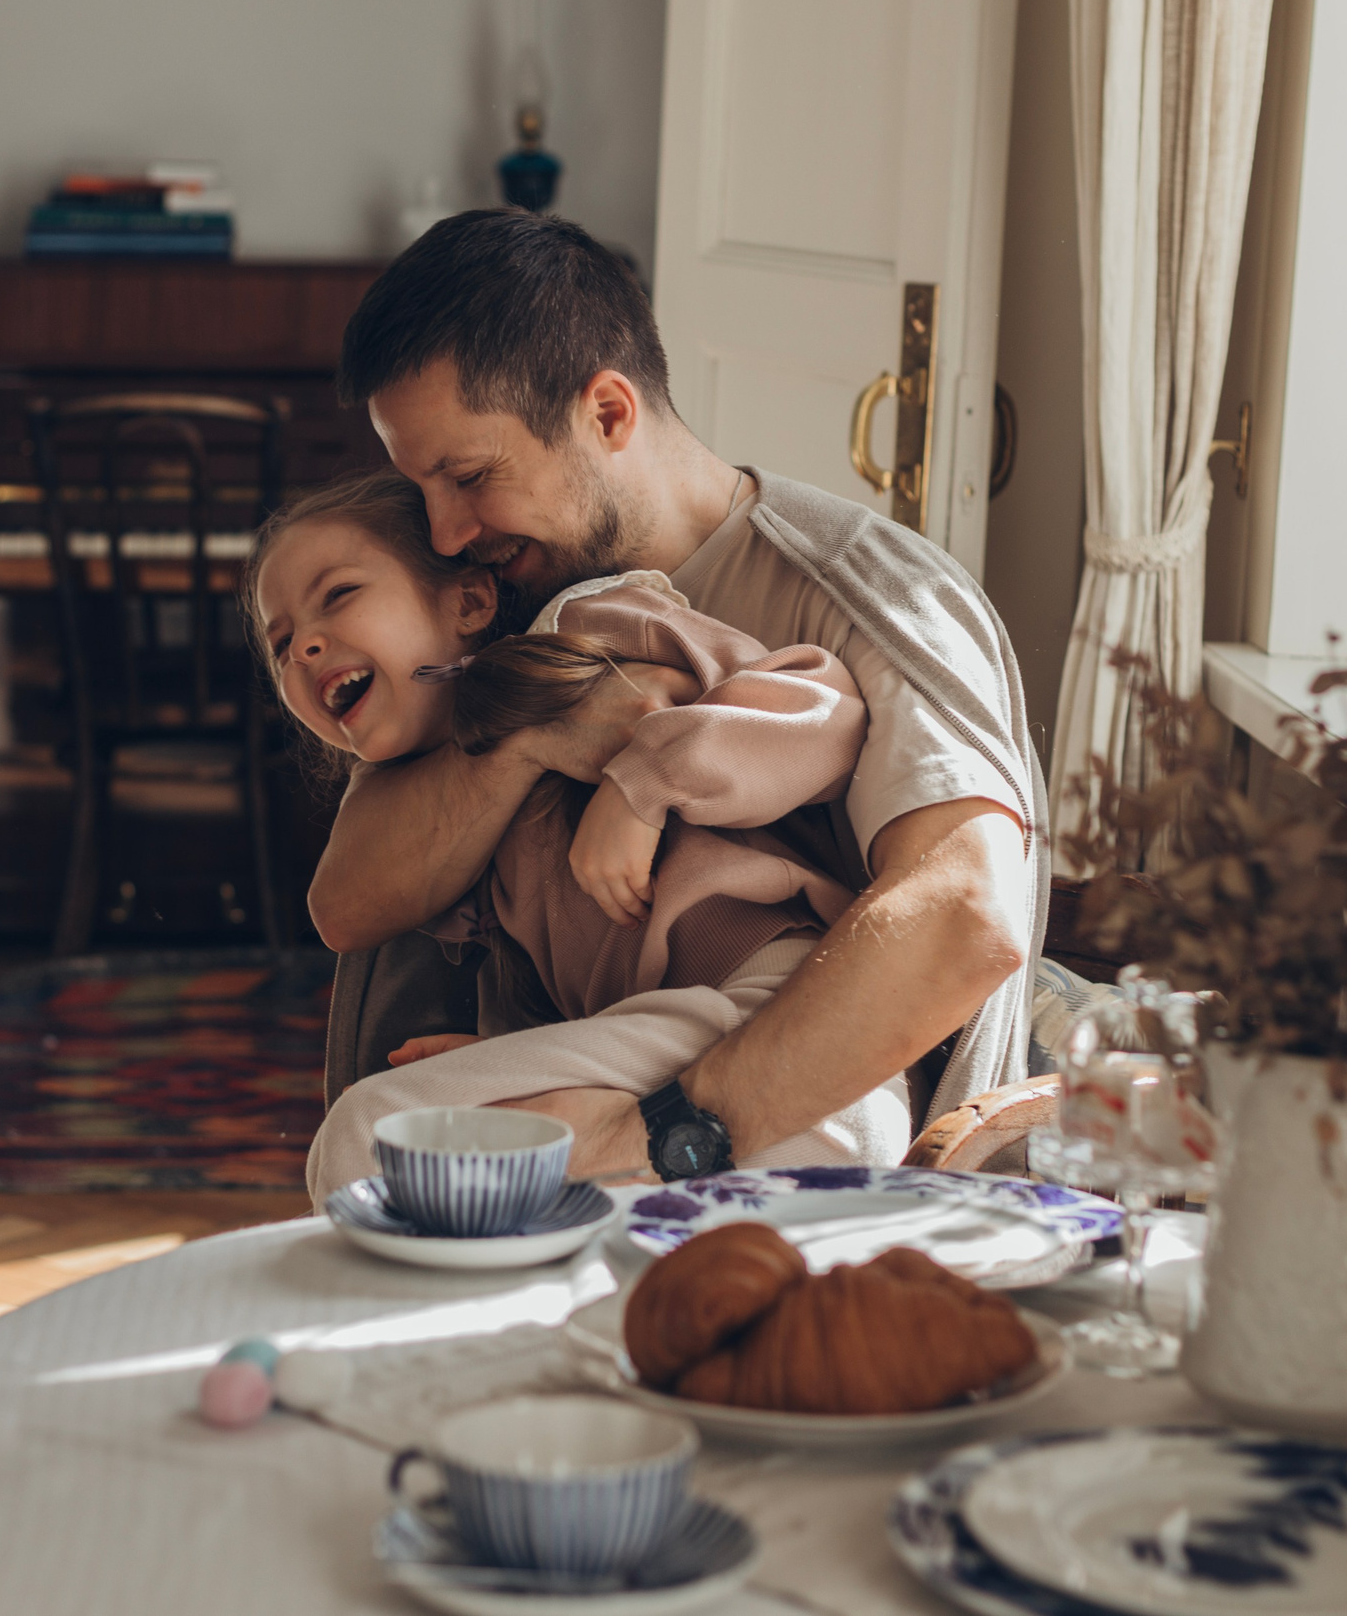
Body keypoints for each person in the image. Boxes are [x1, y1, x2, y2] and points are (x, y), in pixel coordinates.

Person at [312, 208, 1049, 1183]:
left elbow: (963, 919)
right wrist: (537, 740)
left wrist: (646, 1128)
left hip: (806, 1147)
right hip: (605, 1087)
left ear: (607, 412)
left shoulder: (872, 596)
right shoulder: (502, 593)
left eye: (469, 476)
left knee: (375, 1157)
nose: (444, 533)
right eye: (420, 487)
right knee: (373, 1155)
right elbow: (354, 900)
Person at [246, 472, 915, 1201]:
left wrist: (641, 788)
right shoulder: (439, 811)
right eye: (280, 646)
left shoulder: (586, 626)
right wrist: (520, 1055)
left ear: (468, 600)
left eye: (339, 595)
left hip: (786, 1025)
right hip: (678, 1070)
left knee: (367, 1136)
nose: (304, 647)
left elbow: (823, 716)